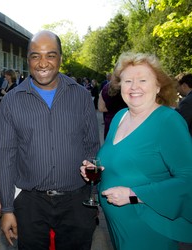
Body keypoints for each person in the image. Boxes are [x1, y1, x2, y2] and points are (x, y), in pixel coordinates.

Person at [0, 30, 100, 250]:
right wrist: (7, 209)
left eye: (50, 55)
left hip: (76, 202)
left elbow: (92, 146)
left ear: (60, 59)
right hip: (30, 203)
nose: (43, 63)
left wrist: (93, 192)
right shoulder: (11, 102)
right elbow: (5, 158)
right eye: (36, 56)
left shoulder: (81, 96)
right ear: (28, 60)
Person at [81, 52, 192, 250]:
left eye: (142, 80)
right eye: (127, 81)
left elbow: (188, 178)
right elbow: (119, 161)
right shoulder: (120, 116)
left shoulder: (168, 121)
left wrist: (134, 195)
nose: (134, 87)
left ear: (158, 85)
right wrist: (95, 171)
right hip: (118, 226)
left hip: (148, 226)